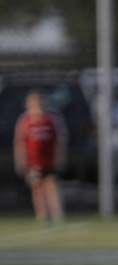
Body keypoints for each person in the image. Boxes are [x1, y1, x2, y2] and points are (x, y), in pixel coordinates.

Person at [13, 91, 67, 224]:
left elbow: (60, 141)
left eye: (39, 104)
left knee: (51, 185)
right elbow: (19, 142)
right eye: (33, 104)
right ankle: (42, 215)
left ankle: (57, 214)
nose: (37, 107)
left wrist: (59, 157)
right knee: (37, 188)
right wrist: (20, 161)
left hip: (49, 161)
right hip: (33, 162)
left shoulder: (51, 120)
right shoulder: (25, 121)